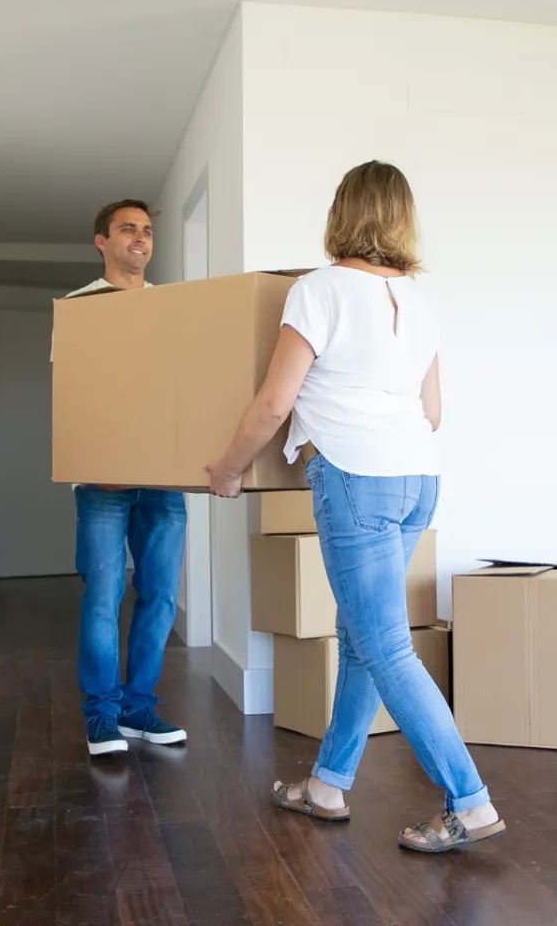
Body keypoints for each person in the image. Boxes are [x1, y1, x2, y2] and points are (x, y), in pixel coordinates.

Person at [206, 162, 504, 852]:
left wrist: (226, 468)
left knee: (385, 646)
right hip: (416, 481)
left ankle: (471, 800)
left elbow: (275, 403)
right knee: (362, 638)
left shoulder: (318, 291)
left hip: (356, 479)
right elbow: (432, 410)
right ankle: (328, 783)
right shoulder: (421, 304)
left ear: (342, 213)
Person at [63, 199, 188, 756]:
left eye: (147, 231)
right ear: (101, 240)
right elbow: (72, 394)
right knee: (104, 595)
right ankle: (102, 715)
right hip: (101, 482)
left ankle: (140, 709)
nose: (140, 238)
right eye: (127, 229)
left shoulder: (176, 309)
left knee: (159, 595)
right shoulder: (79, 308)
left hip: (163, 475)